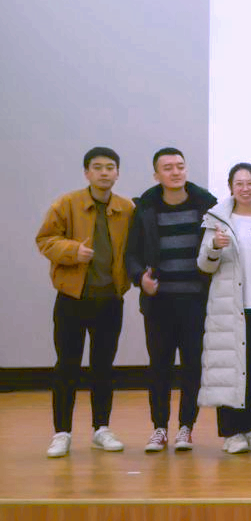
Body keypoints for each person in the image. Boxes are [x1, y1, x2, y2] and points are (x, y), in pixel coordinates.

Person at [36, 147, 135, 457]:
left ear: (117, 173)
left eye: (110, 167)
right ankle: (62, 433)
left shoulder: (127, 208)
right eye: (98, 167)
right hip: (72, 299)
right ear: (87, 173)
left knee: (103, 367)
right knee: (66, 366)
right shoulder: (67, 203)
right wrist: (71, 251)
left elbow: (135, 247)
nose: (104, 172)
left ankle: (101, 429)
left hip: (110, 300)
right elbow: (45, 239)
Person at [125, 147, 218, 453]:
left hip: (196, 302)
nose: (175, 172)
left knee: (193, 366)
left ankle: (186, 428)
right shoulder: (146, 208)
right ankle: (160, 428)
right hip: (159, 303)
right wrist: (140, 278)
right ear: (157, 175)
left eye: (180, 166)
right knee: (159, 367)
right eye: (168, 168)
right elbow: (131, 254)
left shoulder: (207, 206)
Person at [196, 163, 251, 454]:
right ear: (230, 187)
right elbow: (204, 264)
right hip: (230, 306)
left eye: (250, 183)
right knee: (230, 368)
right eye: (239, 183)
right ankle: (231, 432)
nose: (245, 188)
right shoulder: (219, 219)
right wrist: (214, 246)